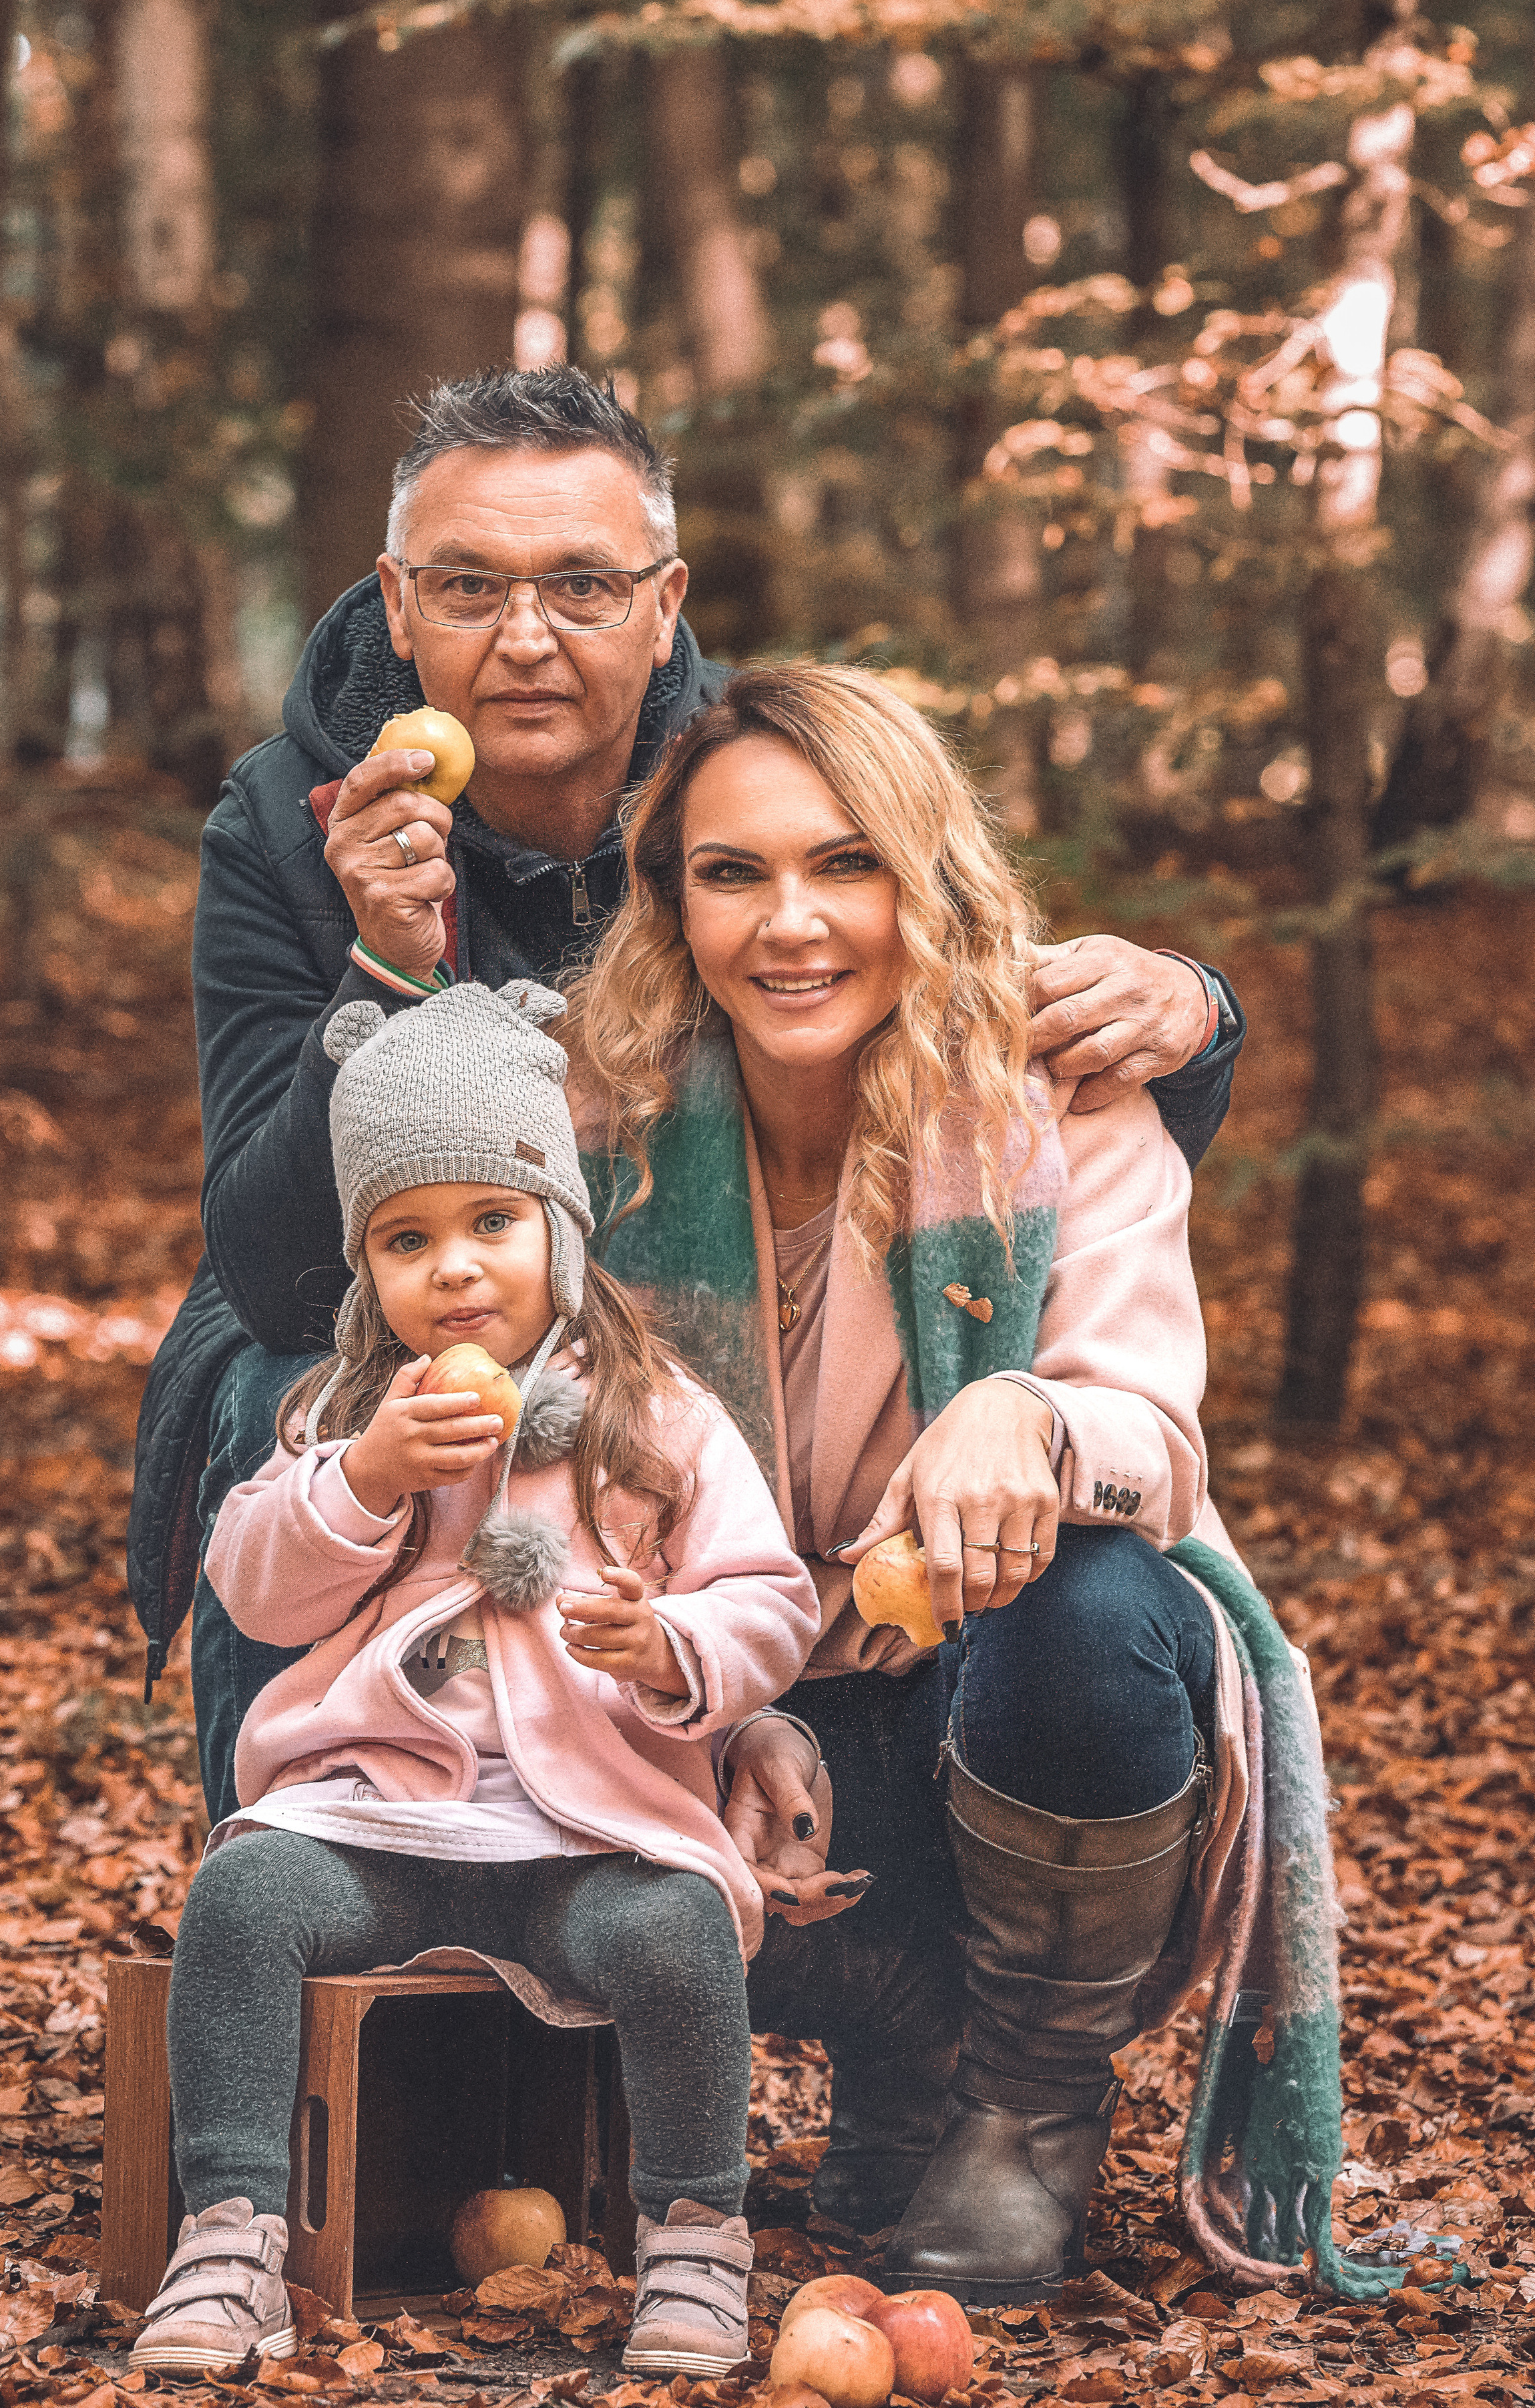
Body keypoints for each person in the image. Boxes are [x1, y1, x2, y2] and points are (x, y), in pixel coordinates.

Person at [128, 366, 1244, 1824]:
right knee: (299, 1404)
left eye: (582, 586)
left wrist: (1193, 1018)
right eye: (468, 588)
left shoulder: (759, 769)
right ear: (397, 607)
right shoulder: (288, 818)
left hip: (700, 1300)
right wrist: (383, 980)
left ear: (662, 604)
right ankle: (310, 1859)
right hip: (379, 1285)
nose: (525, 638)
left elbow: (983, 1075)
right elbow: (275, 1266)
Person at [563, 661, 1326, 2303]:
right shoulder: (592, 1129)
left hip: (987, 1717)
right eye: (732, 871)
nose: (792, 924)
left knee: (1106, 1597)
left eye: (850, 863)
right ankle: (911, 2054)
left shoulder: (1054, 1097)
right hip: (737, 1733)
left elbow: (1156, 1430)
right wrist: (713, 1698)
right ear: (666, 901)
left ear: (930, 877)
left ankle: (1026, 2107)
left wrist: (1029, 1415)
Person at [131, 977, 822, 2381]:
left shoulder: (655, 1415)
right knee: (243, 1891)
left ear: (559, 1233)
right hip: (389, 1829)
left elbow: (769, 1598)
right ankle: (230, 2226)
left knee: (680, 1928)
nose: (453, 1268)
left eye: (491, 1223)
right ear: (366, 1266)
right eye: (406, 1238)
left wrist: (671, 1646)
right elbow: (252, 1585)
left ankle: (695, 2232)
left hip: (590, 1840)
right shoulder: (346, 1415)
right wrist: (371, 1477)